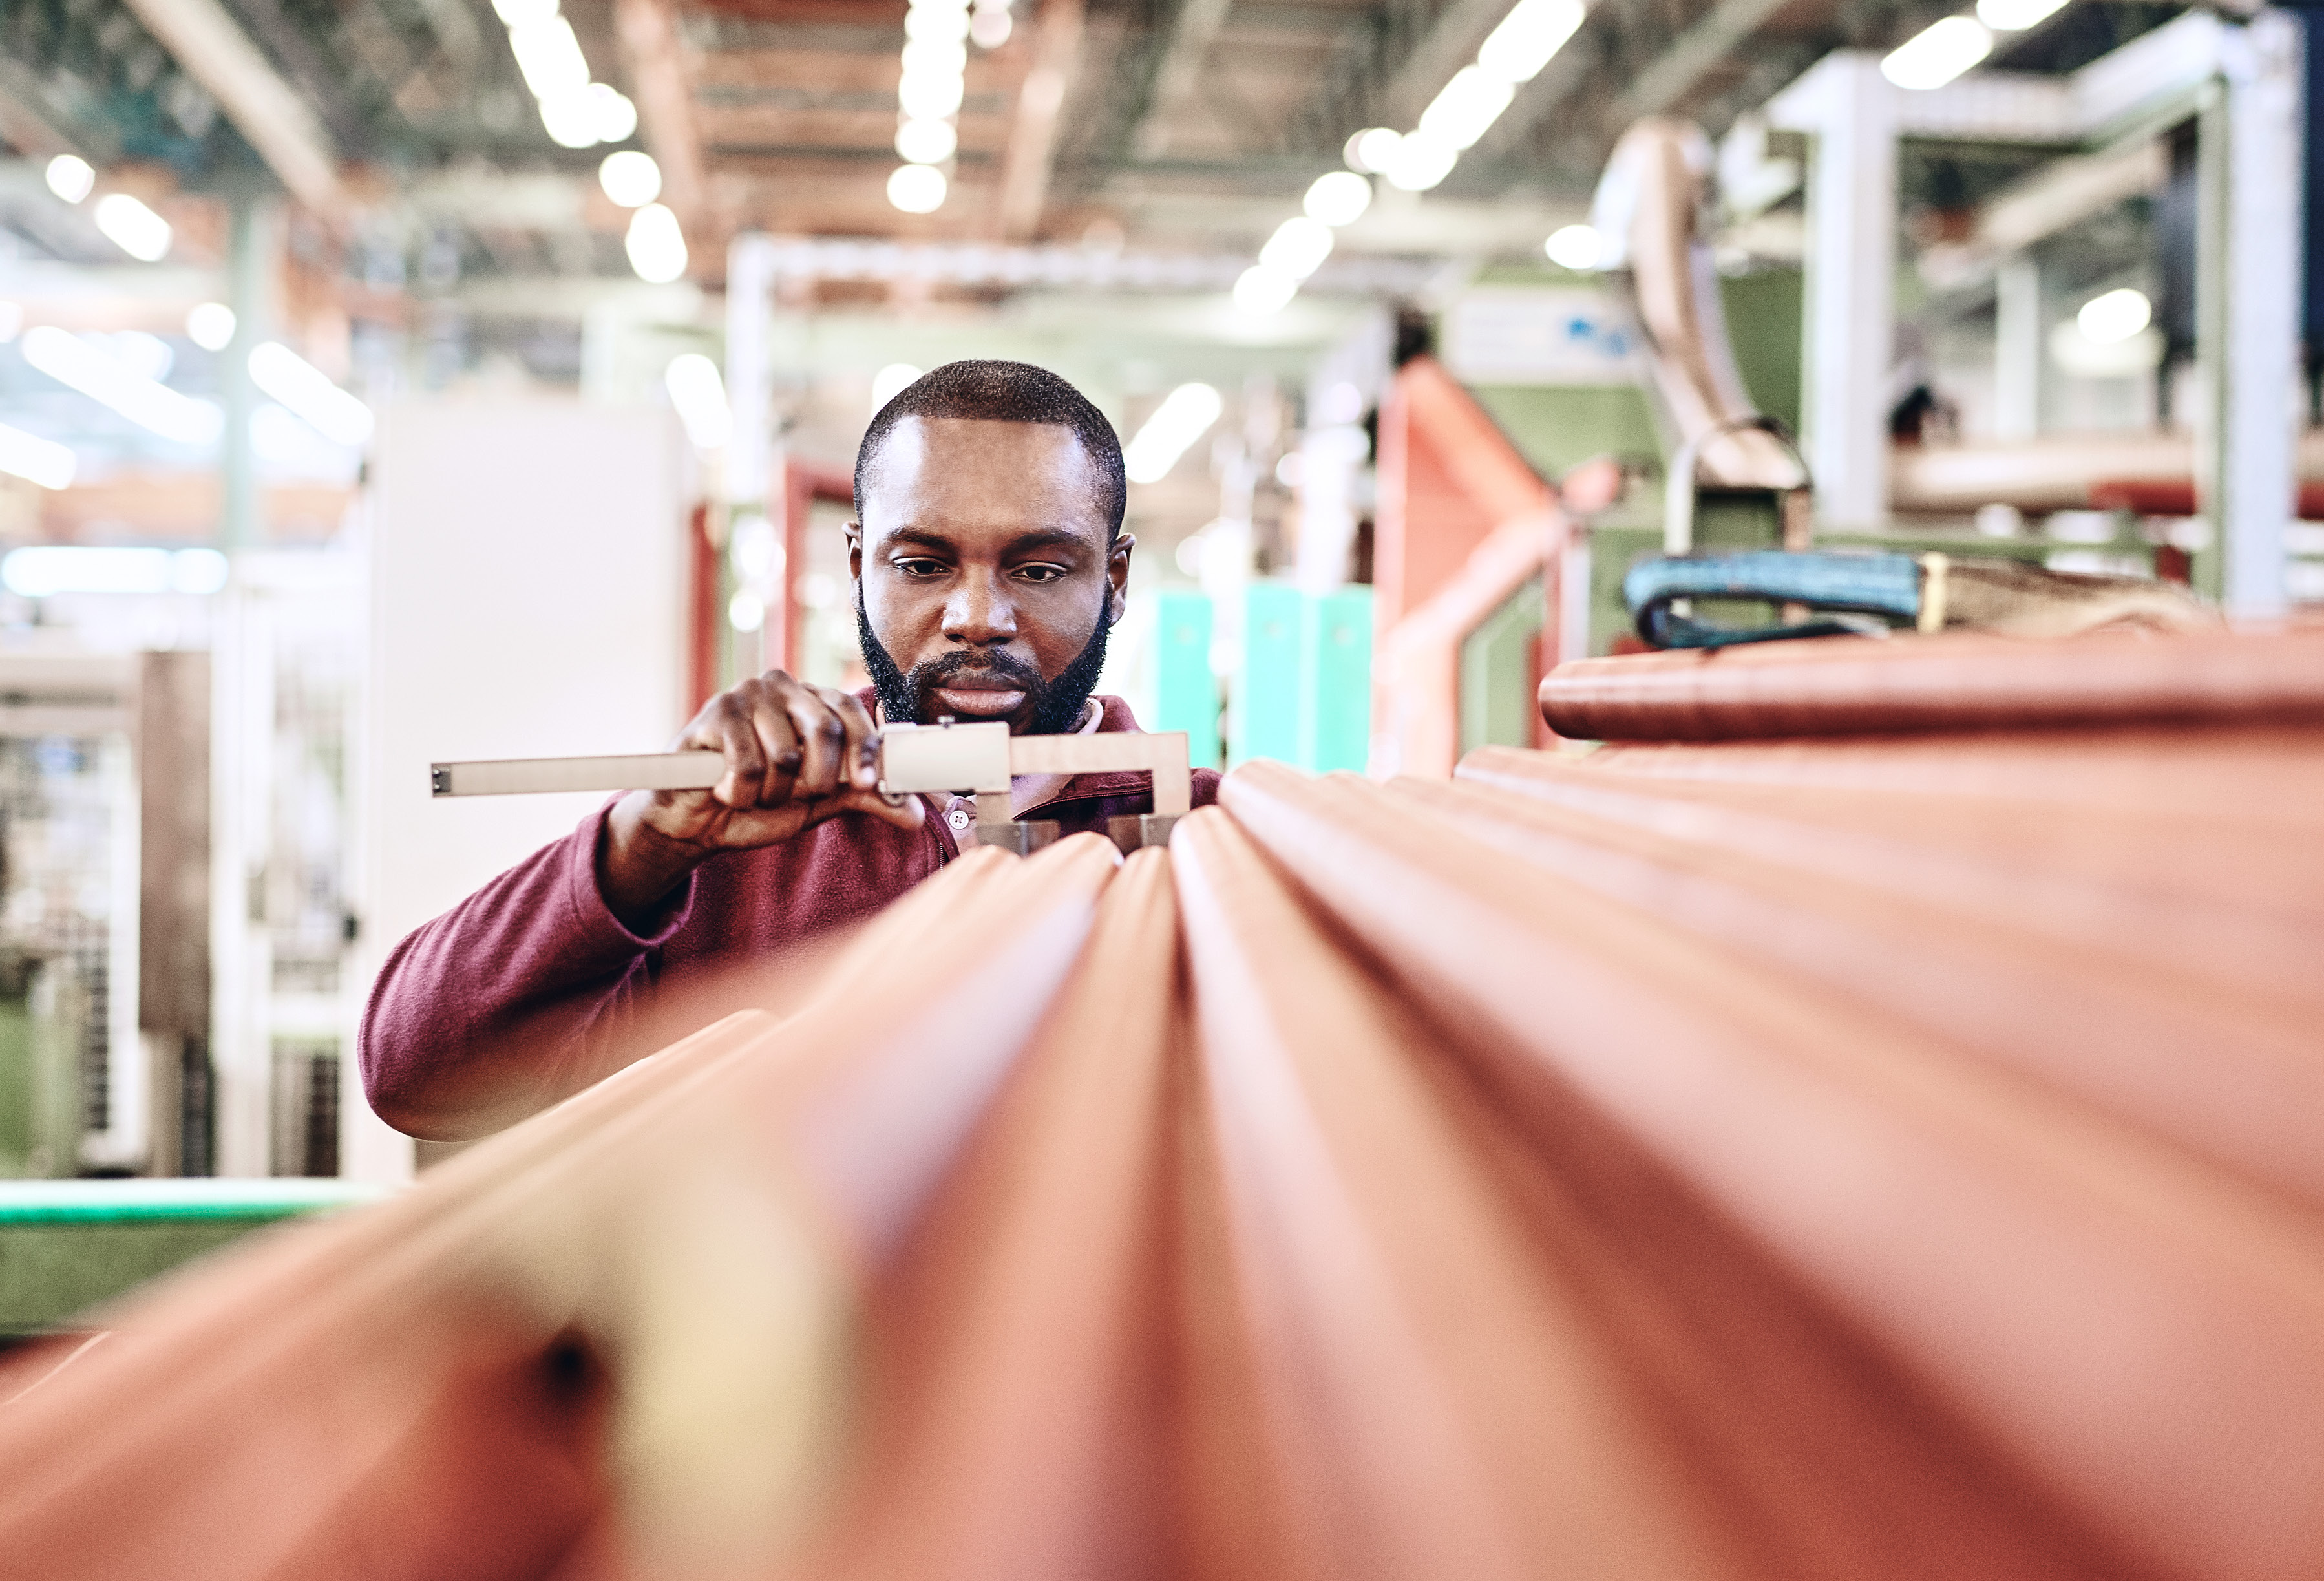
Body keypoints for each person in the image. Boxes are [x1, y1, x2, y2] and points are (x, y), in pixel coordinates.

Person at [362, 360, 1221, 1140]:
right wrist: (643, 841)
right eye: (923, 564)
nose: (977, 618)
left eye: (1038, 571)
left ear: (1112, 581)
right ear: (858, 565)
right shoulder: (723, 830)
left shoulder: (1208, 837)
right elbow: (412, 1076)